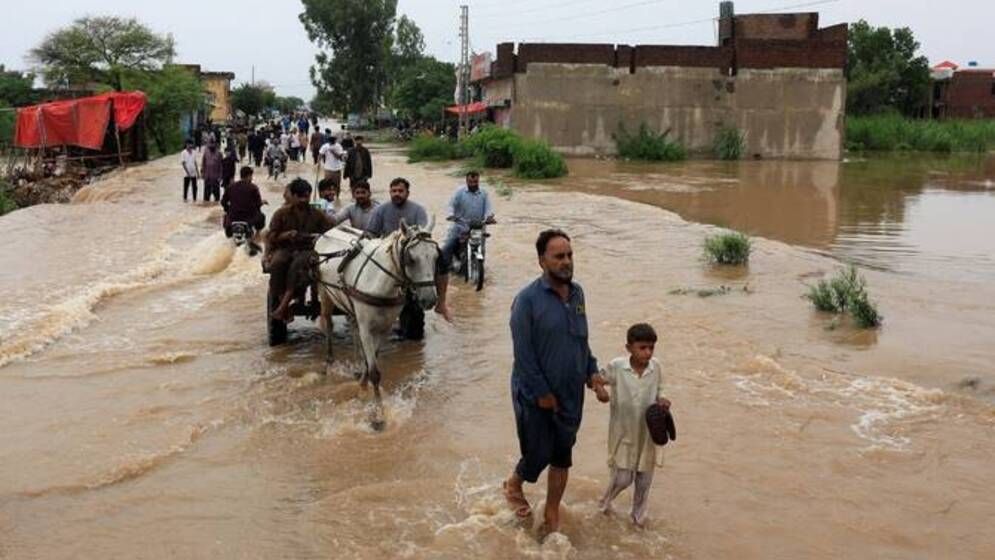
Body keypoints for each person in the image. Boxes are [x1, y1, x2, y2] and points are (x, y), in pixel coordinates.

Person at [504, 229, 600, 538]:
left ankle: (552, 510)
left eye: (569, 255)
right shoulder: (526, 301)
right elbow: (523, 355)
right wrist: (542, 393)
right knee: (538, 453)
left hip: (571, 392)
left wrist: (592, 372)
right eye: (559, 256)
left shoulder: (578, 294)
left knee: (562, 454)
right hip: (534, 394)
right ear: (541, 261)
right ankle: (514, 484)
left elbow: (581, 339)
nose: (566, 261)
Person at [591, 323, 669, 528]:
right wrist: (600, 391)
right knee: (623, 479)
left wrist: (663, 400)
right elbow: (597, 379)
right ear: (629, 348)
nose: (648, 352)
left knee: (644, 480)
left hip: (648, 434)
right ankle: (604, 503)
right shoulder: (618, 366)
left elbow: (662, 390)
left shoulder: (656, 367)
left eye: (651, 347)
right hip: (623, 433)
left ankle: (638, 519)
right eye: (642, 347)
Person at [366, 177, 452, 334]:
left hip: (411, 252)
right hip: (387, 254)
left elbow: (422, 233)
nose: (397, 194)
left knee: (441, 259)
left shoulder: (417, 210)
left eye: (400, 191)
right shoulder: (380, 210)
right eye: (393, 191)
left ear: (407, 193)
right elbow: (371, 234)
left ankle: (441, 303)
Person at [266, 178, 334, 322]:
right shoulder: (281, 214)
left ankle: (282, 308)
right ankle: (282, 303)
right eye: (300, 196)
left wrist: (319, 237)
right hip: (285, 248)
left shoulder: (317, 214)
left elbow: (330, 232)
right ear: (292, 196)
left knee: (296, 266)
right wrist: (286, 235)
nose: (304, 200)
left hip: (308, 250)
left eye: (306, 196)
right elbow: (271, 236)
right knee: (277, 264)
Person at [440, 170, 496, 273]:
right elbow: (451, 205)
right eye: (470, 182)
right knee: (447, 247)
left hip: (478, 227)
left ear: (478, 181)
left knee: (482, 249)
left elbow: (488, 209)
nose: (473, 184)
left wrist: (489, 217)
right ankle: (443, 271)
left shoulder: (484, 193)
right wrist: (451, 215)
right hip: (460, 226)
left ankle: (479, 268)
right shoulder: (459, 192)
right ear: (466, 181)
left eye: (475, 182)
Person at [222, 166, 267, 237]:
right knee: (262, 216)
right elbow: (258, 204)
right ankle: (257, 236)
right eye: (251, 176)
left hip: (233, 217)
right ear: (248, 176)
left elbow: (223, 202)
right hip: (249, 218)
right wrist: (262, 202)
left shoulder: (230, 187)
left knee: (226, 216)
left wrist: (229, 210)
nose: (252, 178)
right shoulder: (253, 188)